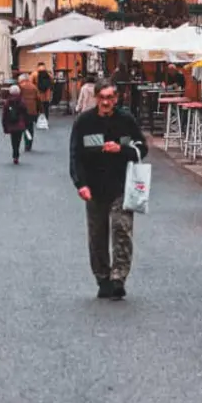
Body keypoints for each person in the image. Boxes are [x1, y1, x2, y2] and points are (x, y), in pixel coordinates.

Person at [69, 78, 148, 300]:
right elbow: (75, 156)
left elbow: (142, 147)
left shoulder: (126, 120)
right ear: (96, 98)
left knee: (122, 230)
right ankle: (102, 278)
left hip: (121, 186)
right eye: (102, 98)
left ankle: (118, 278)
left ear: (116, 98)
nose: (106, 102)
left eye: (110, 98)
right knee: (97, 236)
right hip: (94, 188)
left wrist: (121, 149)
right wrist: (80, 184)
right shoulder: (84, 122)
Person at [0, 84, 31, 165]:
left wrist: (4, 126)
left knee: (13, 140)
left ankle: (15, 154)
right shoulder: (22, 101)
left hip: (11, 124)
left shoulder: (7, 102)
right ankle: (16, 154)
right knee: (18, 140)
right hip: (20, 124)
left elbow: (4, 115)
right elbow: (26, 114)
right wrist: (26, 124)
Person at [18, 72, 40, 151]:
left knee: (21, 127)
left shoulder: (20, 87)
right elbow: (38, 99)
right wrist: (39, 110)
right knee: (30, 127)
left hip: (22, 110)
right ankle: (29, 144)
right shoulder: (34, 87)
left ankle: (22, 142)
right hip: (32, 110)